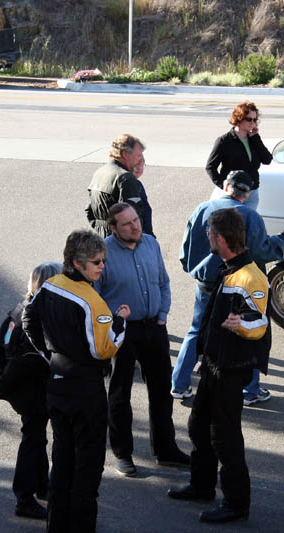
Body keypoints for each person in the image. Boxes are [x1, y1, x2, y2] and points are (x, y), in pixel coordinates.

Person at [22, 230, 130, 532]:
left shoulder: (49, 286)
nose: (102, 266)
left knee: (61, 465)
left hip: (57, 387)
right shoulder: (92, 302)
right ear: (76, 263)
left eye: (103, 260)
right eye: (96, 262)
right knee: (87, 471)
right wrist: (120, 322)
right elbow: (103, 349)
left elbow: (28, 318)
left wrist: (49, 355)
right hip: (86, 393)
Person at [167, 208, 269, 524]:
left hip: (231, 369)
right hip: (214, 364)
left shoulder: (250, 277)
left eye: (209, 233)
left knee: (225, 437)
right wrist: (205, 356)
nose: (207, 237)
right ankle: (202, 485)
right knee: (199, 426)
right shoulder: (229, 269)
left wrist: (242, 324)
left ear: (221, 238)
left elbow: (260, 323)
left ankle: (237, 503)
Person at [173, 170, 284, 405]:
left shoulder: (202, 208)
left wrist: (197, 270)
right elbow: (262, 251)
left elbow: (186, 250)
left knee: (197, 331)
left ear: (225, 186)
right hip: (240, 285)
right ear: (248, 193)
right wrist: (282, 238)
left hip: (205, 283)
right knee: (247, 333)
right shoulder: (250, 216)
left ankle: (179, 384)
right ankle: (250, 391)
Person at [95, 202, 190, 478]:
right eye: (127, 224)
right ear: (113, 228)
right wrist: (114, 322)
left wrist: (162, 314)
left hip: (154, 327)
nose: (135, 226)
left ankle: (165, 449)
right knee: (120, 394)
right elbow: (95, 297)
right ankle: (123, 453)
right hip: (123, 331)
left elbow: (163, 282)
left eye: (136, 220)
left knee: (161, 391)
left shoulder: (151, 243)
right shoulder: (103, 253)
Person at [0, 261, 62, 520]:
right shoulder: (39, 316)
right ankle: (25, 498)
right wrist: (3, 383)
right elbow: (27, 361)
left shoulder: (20, 309)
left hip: (19, 387)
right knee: (33, 438)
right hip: (32, 388)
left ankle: (42, 486)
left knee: (36, 435)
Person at [206, 101, 272, 210]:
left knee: (247, 220)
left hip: (251, 193)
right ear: (239, 118)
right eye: (248, 119)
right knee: (230, 221)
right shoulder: (224, 141)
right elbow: (210, 167)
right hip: (233, 194)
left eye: (255, 120)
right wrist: (224, 186)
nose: (252, 123)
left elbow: (267, 160)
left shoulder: (253, 139)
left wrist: (256, 138)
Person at [86, 134, 154, 237]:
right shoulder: (125, 178)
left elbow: (89, 210)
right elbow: (132, 217)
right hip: (122, 241)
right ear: (126, 154)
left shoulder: (99, 173)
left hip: (102, 238)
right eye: (138, 156)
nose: (140, 161)